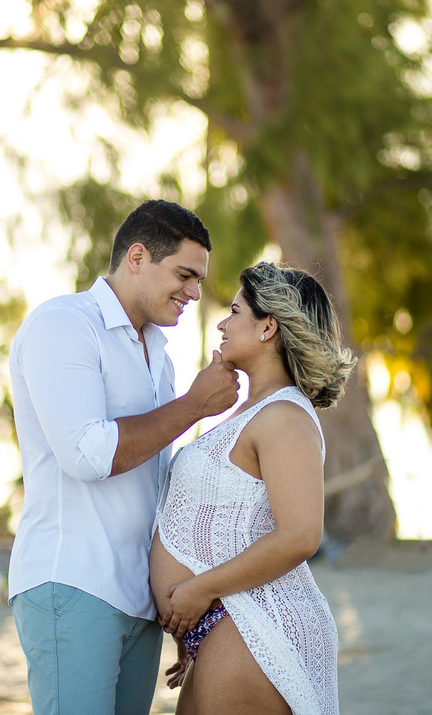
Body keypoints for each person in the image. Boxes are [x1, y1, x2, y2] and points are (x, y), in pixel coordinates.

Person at [7, 199, 241, 715]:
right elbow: (87, 454)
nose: (195, 292)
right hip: (72, 584)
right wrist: (194, 406)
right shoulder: (64, 324)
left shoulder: (158, 354)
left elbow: (157, 492)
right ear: (137, 257)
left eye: (199, 280)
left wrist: (176, 602)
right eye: (184, 274)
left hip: (140, 600)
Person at [150, 261, 357, 715]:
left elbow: (302, 535)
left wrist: (199, 590)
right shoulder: (253, 412)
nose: (222, 323)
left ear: (268, 328)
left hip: (255, 624)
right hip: (227, 625)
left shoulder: (284, 417)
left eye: (235, 311)